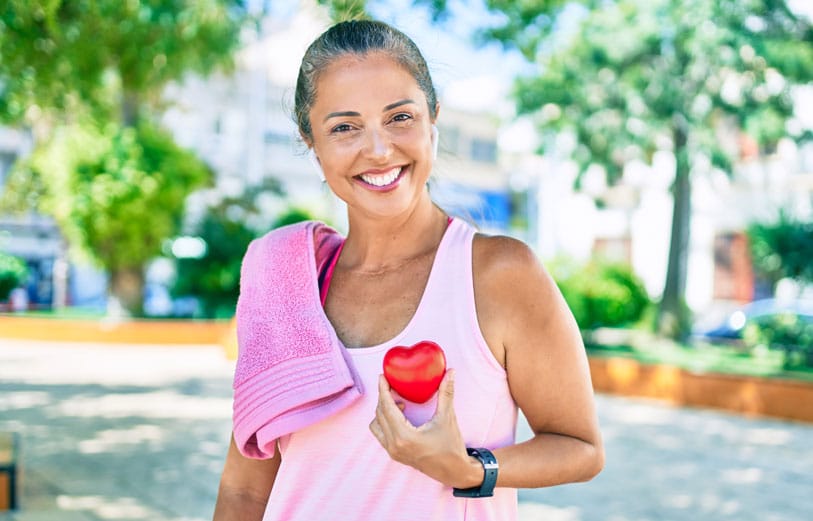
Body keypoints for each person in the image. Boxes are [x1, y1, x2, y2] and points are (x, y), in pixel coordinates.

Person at [213, 19, 603, 521]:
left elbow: (581, 447)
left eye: (400, 117)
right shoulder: (284, 284)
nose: (378, 150)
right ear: (311, 142)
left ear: (432, 119)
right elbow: (245, 490)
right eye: (344, 128)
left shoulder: (498, 274)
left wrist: (470, 469)